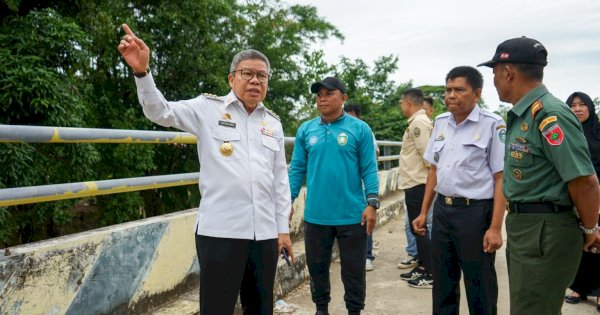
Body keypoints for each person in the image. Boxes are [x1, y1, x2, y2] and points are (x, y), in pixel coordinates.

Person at [117, 24, 293, 315]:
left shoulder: (272, 123)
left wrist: (282, 230)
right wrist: (142, 73)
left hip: (264, 234)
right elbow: (160, 111)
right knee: (216, 308)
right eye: (247, 73)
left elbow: (280, 181)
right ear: (231, 78)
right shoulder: (207, 108)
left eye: (262, 76)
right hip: (220, 231)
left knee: (261, 309)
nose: (254, 81)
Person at [478, 36, 600, 315]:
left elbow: (585, 182)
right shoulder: (524, 115)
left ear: (508, 72)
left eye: (495, 72)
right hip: (529, 228)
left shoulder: (549, 114)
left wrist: (590, 229)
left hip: (544, 230)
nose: (494, 79)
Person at [413, 66, 506, 314]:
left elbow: (501, 178)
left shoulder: (493, 125)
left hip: (475, 213)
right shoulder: (441, 123)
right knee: (443, 282)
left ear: (476, 94)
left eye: (459, 90)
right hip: (443, 211)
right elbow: (433, 170)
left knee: (479, 284)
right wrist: (424, 213)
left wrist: (495, 227)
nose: (451, 95)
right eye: (448, 90)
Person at [289, 77, 379, 315]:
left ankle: (354, 310)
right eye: (319, 95)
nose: (322, 98)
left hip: (352, 215)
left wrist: (372, 202)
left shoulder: (360, 129)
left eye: (329, 94)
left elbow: (369, 168)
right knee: (317, 268)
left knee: (353, 270)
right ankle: (321, 308)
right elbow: (297, 169)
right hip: (316, 215)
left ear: (343, 98)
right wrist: (286, 201)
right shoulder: (306, 129)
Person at [564, 92, 600, 311]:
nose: (577, 109)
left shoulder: (598, 132)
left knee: (597, 242)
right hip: (573, 195)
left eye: (582, 105)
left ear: (590, 108)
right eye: (573, 105)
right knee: (579, 242)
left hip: (597, 193)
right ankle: (579, 287)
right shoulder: (566, 133)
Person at [396, 88, 435, 289]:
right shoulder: (418, 122)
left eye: (402, 103)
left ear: (408, 103)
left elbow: (429, 157)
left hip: (418, 183)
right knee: (418, 227)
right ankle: (422, 266)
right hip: (415, 182)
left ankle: (430, 272)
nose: (401, 106)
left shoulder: (419, 123)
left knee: (419, 228)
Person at [343, 103, 380, 272]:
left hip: (363, 186)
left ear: (358, 115)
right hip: (346, 188)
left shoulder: (364, 130)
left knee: (365, 221)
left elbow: (375, 154)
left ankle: (367, 256)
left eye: (351, 115)